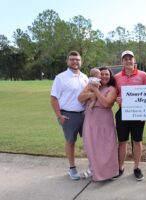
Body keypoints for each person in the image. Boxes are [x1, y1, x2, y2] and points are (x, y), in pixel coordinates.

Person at [50, 50, 88, 180]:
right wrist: (59, 116)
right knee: (70, 142)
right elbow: (54, 98)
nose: (75, 61)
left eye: (77, 59)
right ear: (67, 61)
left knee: (89, 142)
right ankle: (72, 168)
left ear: (81, 61)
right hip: (68, 115)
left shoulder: (84, 77)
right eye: (72, 59)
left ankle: (92, 167)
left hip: (84, 115)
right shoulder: (60, 77)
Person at [78, 67, 119, 181]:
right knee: (91, 145)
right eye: (102, 74)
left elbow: (106, 103)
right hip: (90, 118)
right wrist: (90, 95)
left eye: (107, 74)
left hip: (104, 119)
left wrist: (95, 91)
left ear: (110, 77)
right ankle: (93, 169)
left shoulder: (112, 89)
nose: (104, 76)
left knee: (107, 146)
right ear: (98, 76)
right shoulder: (90, 84)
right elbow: (80, 98)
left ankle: (110, 172)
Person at [114, 50, 146, 181]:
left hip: (138, 113)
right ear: (122, 61)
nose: (128, 61)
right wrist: (117, 99)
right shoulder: (117, 77)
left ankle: (136, 167)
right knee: (122, 141)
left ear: (134, 60)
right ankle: (120, 166)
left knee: (137, 141)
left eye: (130, 58)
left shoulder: (143, 75)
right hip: (122, 113)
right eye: (125, 59)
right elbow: (114, 93)